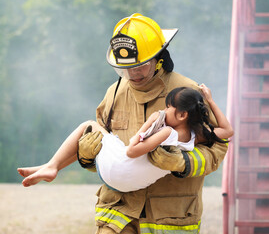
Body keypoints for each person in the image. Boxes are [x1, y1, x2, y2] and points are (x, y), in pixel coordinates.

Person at [20, 13, 230, 234]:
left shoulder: (187, 94)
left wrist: (182, 162)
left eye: (141, 66)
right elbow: (108, 154)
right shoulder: (114, 93)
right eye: (126, 67)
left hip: (169, 216)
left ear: (159, 59)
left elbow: (219, 145)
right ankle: (51, 166)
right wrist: (86, 156)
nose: (133, 73)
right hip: (117, 213)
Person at [18, 85, 233, 193]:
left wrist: (148, 125)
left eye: (168, 107)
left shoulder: (166, 132)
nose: (164, 110)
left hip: (122, 169)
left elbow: (131, 150)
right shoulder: (196, 136)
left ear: (182, 114)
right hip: (134, 182)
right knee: (98, 141)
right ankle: (51, 166)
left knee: (88, 127)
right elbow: (227, 131)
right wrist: (210, 101)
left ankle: (53, 165)